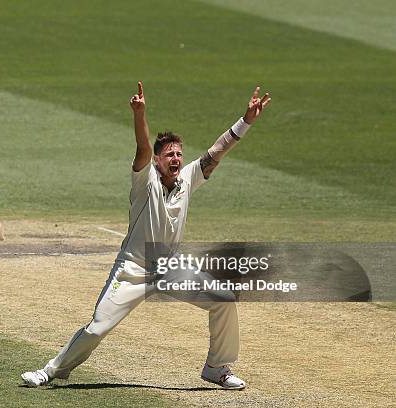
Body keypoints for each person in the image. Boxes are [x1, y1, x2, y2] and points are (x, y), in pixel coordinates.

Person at [21, 82, 271, 390]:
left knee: (224, 300)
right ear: (157, 161)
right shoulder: (145, 180)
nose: (176, 158)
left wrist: (245, 121)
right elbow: (142, 147)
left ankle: (216, 367)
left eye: (179, 153)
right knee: (97, 328)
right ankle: (50, 371)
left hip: (168, 268)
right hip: (133, 268)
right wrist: (140, 114)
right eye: (169, 154)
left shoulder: (187, 179)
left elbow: (217, 152)